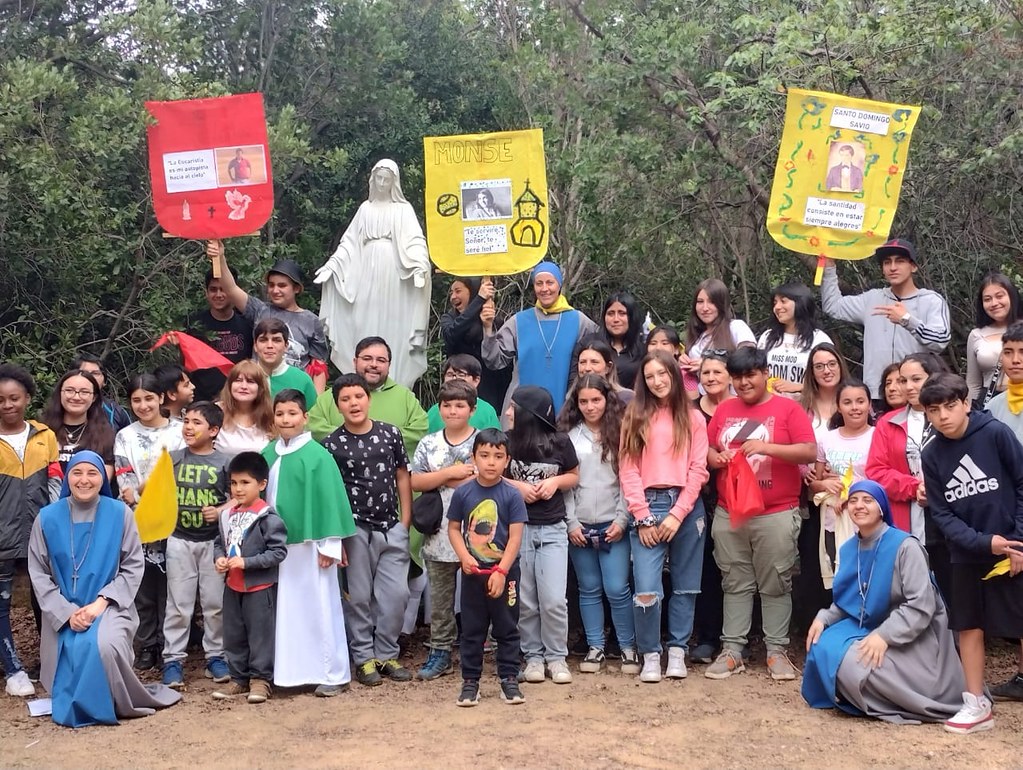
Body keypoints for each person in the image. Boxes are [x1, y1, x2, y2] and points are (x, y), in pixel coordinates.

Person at [28, 450, 181, 726]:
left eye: (92, 473)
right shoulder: (46, 518)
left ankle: (107, 701)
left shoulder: (120, 514)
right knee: (73, 646)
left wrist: (100, 603)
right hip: (62, 610)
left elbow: (132, 566)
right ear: (67, 477)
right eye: (77, 472)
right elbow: (38, 574)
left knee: (105, 645)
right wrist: (67, 613)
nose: (84, 480)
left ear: (102, 478)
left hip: (109, 605)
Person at [802, 480, 964, 724]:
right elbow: (847, 602)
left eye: (867, 500)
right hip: (870, 626)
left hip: (914, 634)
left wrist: (884, 636)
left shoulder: (905, 546)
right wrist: (823, 618)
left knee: (852, 663)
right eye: (853, 501)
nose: (859, 506)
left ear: (881, 509)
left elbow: (921, 605)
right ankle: (868, 693)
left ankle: (902, 699)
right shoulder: (849, 549)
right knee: (821, 643)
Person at [920, 372, 1023, 734]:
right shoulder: (931, 454)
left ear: (966, 403)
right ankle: (975, 703)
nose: (943, 415)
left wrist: (1017, 541)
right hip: (966, 553)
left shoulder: (995, 433)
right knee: (969, 625)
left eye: (950, 406)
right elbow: (942, 513)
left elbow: (1022, 482)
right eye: (934, 410)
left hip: (1013, 548)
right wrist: (981, 542)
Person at [705, 347, 817, 681]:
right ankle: (732, 651)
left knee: (776, 582)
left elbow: (808, 451)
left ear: (766, 373)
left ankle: (776, 651)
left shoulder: (788, 409)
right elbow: (707, 449)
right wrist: (717, 459)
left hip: (775, 511)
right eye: (737, 377)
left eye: (750, 375)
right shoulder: (724, 409)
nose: (743, 383)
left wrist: (766, 447)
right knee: (734, 581)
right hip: (730, 510)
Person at [619, 353, 710, 682]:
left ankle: (677, 651)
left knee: (686, 587)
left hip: (686, 506)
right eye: (650, 376)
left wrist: (678, 513)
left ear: (674, 374)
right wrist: (643, 517)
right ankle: (650, 654)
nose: (657, 381)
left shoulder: (693, 417)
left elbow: (698, 469)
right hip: (647, 503)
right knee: (646, 589)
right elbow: (628, 469)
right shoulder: (635, 414)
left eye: (662, 374)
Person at [261, 389, 356, 697]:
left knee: (320, 607)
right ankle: (290, 673)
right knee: (286, 612)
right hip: (277, 548)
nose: (285, 420)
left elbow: (330, 501)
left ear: (305, 417)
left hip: (311, 546)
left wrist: (330, 544)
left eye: (292, 414)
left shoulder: (318, 455)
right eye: (280, 414)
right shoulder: (268, 453)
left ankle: (331, 673)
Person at [323, 374, 413, 686]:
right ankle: (363, 658)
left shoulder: (390, 433)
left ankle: (387, 653)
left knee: (397, 594)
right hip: (355, 529)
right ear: (338, 406)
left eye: (358, 396)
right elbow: (331, 493)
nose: (353, 403)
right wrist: (337, 537)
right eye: (345, 399)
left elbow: (402, 475)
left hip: (391, 526)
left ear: (369, 399)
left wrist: (405, 521)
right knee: (358, 596)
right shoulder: (331, 445)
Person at [314, 159, 432, 388]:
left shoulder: (403, 210)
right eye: (379, 178)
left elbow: (416, 241)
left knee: (394, 323)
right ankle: (361, 378)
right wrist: (332, 266)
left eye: (387, 179)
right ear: (372, 179)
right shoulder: (365, 209)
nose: (382, 183)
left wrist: (419, 266)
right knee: (362, 321)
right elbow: (349, 244)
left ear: (394, 182)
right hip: (365, 274)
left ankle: (394, 379)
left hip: (394, 274)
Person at [558, 375, 638, 675]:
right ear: (576, 404)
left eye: (596, 400)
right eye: (584, 401)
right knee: (588, 588)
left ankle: (627, 647)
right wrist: (571, 523)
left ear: (607, 399)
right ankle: (595, 647)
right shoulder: (569, 437)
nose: (590, 407)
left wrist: (622, 519)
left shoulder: (621, 433)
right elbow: (567, 485)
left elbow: (628, 481)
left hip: (613, 524)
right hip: (580, 526)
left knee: (617, 588)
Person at [447, 429, 528, 706]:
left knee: (507, 627)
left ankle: (509, 678)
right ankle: (470, 681)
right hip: (473, 574)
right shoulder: (463, 492)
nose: (491, 462)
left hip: (505, 575)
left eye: (498, 456)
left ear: (507, 460)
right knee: (472, 629)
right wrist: (464, 557)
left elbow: (515, 537)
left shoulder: (512, 495)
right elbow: (454, 528)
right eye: (484, 455)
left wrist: (502, 571)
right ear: (474, 458)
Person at [505, 385, 579, 684]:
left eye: (513, 407)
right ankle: (533, 657)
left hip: (553, 529)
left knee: (553, 600)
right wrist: (518, 487)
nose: (508, 412)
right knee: (525, 600)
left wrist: (555, 482)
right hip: (518, 530)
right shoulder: (507, 442)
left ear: (529, 413)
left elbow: (574, 475)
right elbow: (489, 474)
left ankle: (556, 657)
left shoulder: (560, 442)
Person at [114, 373, 186, 672]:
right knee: (142, 584)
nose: (143, 405)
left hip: (175, 516)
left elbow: (182, 472)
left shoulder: (181, 431)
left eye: (149, 398)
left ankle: (170, 644)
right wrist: (139, 495)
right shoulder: (125, 436)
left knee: (172, 585)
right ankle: (147, 644)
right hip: (139, 517)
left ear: (161, 398)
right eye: (136, 400)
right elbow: (125, 478)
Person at [819, 239, 951, 403]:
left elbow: (940, 341)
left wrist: (907, 320)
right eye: (887, 262)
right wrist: (829, 268)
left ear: (913, 266)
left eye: (900, 261)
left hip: (917, 394)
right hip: (878, 394)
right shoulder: (873, 298)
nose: (893, 267)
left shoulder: (931, 300)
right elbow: (833, 306)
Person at [411, 380, 480, 681]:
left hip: (477, 533)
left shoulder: (482, 441)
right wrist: (451, 474)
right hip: (438, 532)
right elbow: (416, 481)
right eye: (447, 405)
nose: (453, 411)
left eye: (460, 405)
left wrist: (437, 478)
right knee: (440, 600)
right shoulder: (429, 443)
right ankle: (440, 651)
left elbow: (487, 477)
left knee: (477, 598)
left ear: (472, 410)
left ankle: (476, 651)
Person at [160, 402, 231, 689]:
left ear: (213, 430)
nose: (188, 427)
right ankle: (173, 660)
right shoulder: (173, 459)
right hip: (179, 540)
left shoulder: (225, 462)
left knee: (215, 604)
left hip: (214, 543)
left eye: (196, 422)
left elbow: (239, 498)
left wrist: (221, 511)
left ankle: (216, 656)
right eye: (186, 421)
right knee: (178, 604)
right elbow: (155, 491)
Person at [0, 364, 60, 697]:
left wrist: (54, 523)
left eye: (14, 398)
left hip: (41, 533)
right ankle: (13, 670)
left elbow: (55, 484)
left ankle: (51, 662)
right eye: (1, 400)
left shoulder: (44, 435)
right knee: (2, 604)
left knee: (47, 599)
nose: (8, 405)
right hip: (2, 536)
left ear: (27, 398)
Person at [212, 452, 288, 704]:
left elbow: (278, 552)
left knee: (260, 635)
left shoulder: (268, 517)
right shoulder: (227, 515)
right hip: (232, 586)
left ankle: (260, 680)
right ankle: (238, 678)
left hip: (259, 587)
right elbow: (219, 542)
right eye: (234, 483)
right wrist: (219, 558)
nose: (238, 489)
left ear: (262, 484)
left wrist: (248, 562)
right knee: (233, 633)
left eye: (245, 482)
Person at [481, 261, 598, 415]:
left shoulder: (579, 321)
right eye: (539, 283)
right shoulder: (519, 321)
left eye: (550, 282)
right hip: (521, 408)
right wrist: (488, 327)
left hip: (566, 407)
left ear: (559, 285)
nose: (544, 289)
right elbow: (494, 360)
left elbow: (600, 354)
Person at [214, 242, 329, 392]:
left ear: (296, 288)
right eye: (271, 285)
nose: (275, 290)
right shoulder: (260, 310)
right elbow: (231, 288)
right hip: (259, 391)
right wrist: (220, 257)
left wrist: (316, 401)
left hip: (294, 394)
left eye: (282, 285)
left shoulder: (311, 321)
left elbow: (318, 365)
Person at [865, 352, 950, 543]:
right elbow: (876, 470)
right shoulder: (888, 422)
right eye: (903, 381)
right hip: (906, 516)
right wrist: (914, 487)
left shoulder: (951, 417)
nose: (909, 387)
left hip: (952, 514)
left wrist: (935, 489)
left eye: (916, 379)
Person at [307, 336, 427, 458]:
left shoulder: (405, 397)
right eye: (367, 358)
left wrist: (375, 441)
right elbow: (313, 427)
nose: (374, 364)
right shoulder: (333, 395)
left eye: (381, 360)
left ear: (389, 366)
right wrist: (352, 438)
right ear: (355, 362)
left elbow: (420, 429)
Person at [985, 320, 1023, 700]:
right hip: (1010, 511)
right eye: (1008, 352)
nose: (1015, 360)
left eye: (1022, 352)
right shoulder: (994, 407)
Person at [808, 380, 875, 588]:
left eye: (860, 401)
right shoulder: (827, 439)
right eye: (847, 402)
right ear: (838, 406)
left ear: (869, 405)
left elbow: (883, 478)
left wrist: (853, 494)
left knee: (868, 579)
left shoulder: (878, 435)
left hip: (868, 519)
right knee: (841, 579)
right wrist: (825, 485)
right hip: (834, 519)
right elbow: (814, 484)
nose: (854, 407)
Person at [690, 351, 732, 664]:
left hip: (736, 497)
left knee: (734, 570)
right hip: (699, 497)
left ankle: (735, 637)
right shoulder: (691, 410)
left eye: (718, 372)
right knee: (704, 569)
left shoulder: (740, 408)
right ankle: (706, 637)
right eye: (706, 373)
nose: (712, 378)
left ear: (730, 376)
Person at [184, 267, 254, 402]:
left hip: (239, 399)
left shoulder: (248, 324)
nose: (218, 294)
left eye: (224, 289)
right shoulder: (194, 325)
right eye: (213, 289)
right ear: (206, 293)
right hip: (202, 402)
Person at [440, 277, 511, 410]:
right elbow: (452, 335)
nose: (453, 297)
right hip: (458, 384)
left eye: (458, 291)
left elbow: (500, 359)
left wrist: (488, 326)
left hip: (489, 386)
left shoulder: (491, 319)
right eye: (451, 293)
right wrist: (479, 299)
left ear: (471, 292)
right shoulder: (448, 318)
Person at [757, 282, 832, 396]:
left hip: (806, 404)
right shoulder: (767, 337)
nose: (777, 307)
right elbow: (756, 372)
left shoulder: (819, 339)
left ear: (800, 303)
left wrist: (798, 387)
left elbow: (832, 379)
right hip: (771, 404)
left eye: (783, 301)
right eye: (775, 303)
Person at [41, 369, 115, 479]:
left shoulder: (105, 435)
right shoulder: (42, 431)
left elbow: (103, 481)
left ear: (94, 397)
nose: (76, 397)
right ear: (60, 393)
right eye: (69, 390)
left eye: (84, 392)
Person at [680, 278, 755, 380]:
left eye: (711, 302)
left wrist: (708, 364)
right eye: (700, 302)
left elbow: (749, 357)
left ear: (722, 304)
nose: (705, 308)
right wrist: (683, 363)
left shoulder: (735, 327)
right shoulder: (697, 335)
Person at [966, 272, 1021, 407]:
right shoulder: (976, 335)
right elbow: (973, 383)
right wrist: (970, 412)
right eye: (987, 299)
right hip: (989, 401)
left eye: (999, 296)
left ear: (1012, 296)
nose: (994, 303)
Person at [252, 317, 318, 410]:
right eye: (263, 340)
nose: (269, 346)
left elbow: (313, 416)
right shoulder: (243, 379)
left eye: (276, 340)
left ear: (286, 346)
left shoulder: (302, 380)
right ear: (255, 345)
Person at [425, 355, 502, 433]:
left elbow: (495, 438)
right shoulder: (435, 410)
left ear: (476, 380)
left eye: (461, 375)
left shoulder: (487, 411)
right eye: (450, 375)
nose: (454, 379)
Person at [215, 360, 275, 457]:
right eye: (238, 380)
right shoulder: (215, 412)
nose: (243, 386)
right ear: (230, 385)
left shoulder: (271, 416)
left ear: (261, 388)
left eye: (250, 381)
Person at [598, 291, 647, 390]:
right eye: (611, 314)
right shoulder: (590, 344)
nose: (616, 319)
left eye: (622, 313)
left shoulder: (644, 349)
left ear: (632, 317)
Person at [71, 354, 132, 433]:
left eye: (95, 373)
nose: (90, 377)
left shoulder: (116, 412)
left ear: (104, 381)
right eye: (84, 373)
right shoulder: (61, 408)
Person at [799, 343, 849, 433]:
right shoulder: (800, 407)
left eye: (832, 364)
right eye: (819, 366)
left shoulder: (857, 404)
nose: (826, 371)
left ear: (840, 366)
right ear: (812, 372)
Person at [569, 336, 634, 405]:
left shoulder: (626, 398)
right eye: (583, 362)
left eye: (594, 362)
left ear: (608, 367)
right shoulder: (572, 399)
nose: (587, 368)